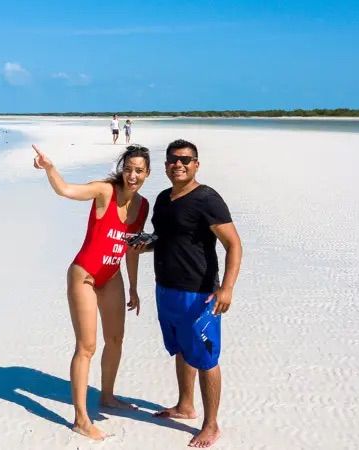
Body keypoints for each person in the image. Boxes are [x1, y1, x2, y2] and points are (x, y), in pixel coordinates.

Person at [32, 143, 151, 441]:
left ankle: (108, 397)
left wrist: (134, 286)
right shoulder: (104, 191)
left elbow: (132, 248)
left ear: (147, 173)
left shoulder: (143, 205)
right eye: (128, 169)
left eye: (139, 170)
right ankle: (81, 419)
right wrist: (50, 168)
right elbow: (66, 190)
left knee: (116, 339)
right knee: (86, 346)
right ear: (121, 169)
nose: (132, 175)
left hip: (112, 276)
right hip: (84, 275)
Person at [140, 139, 242, 448]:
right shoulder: (162, 199)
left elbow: (234, 244)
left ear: (196, 164)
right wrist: (144, 244)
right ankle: (185, 406)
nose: (179, 164)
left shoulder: (207, 199)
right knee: (181, 349)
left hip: (198, 294)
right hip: (166, 288)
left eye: (186, 159)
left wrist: (226, 288)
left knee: (206, 358)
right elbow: (165, 237)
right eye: (173, 160)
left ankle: (211, 424)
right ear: (166, 165)